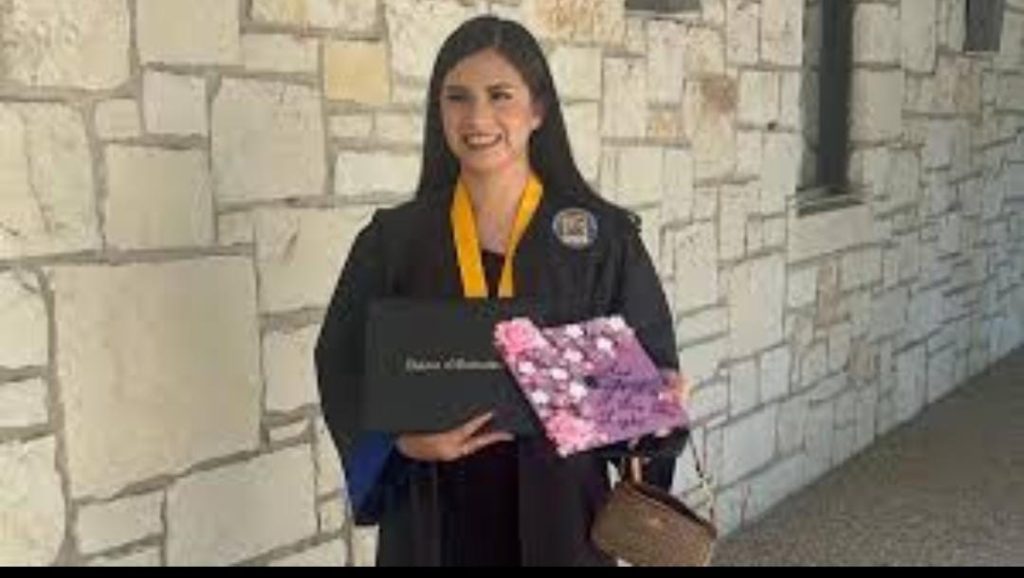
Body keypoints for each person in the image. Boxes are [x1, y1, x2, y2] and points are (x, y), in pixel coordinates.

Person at [315, 15, 690, 566]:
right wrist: (400, 444)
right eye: (457, 98)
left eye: (499, 96)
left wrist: (652, 416)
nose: (477, 118)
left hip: (563, 519)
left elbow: (650, 372)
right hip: (431, 516)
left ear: (538, 110)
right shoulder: (393, 241)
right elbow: (341, 363)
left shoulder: (600, 240)